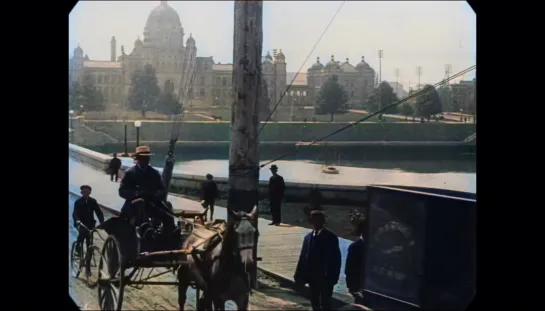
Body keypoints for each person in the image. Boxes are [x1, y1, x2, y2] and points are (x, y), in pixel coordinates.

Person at [294, 210, 341, 311]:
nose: (313, 223)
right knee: (314, 301)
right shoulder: (308, 237)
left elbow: (335, 259)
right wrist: (299, 275)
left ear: (322, 221)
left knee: (326, 302)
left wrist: (333, 278)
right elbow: (303, 257)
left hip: (325, 277)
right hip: (312, 277)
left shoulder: (330, 237)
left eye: (315, 220)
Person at [118, 146, 173, 234]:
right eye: (144, 158)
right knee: (141, 206)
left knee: (169, 216)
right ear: (138, 159)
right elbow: (122, 191)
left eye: (147, 158)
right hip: (134, 205)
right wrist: (136, 193)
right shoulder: (130, 173)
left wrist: (158, 194)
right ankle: (146, 231)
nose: (146, 160)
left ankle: (167, 238)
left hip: (151, 203)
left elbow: (162, 189)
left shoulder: (154, 173)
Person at [72, 185, 104, 274]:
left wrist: (102, 222)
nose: (85, 194)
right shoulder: (78, 202)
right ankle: (78, 249)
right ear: (81, 193)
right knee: (82, 233)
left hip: (90, 224)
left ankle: (88, 267)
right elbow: (75, 213)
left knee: (90, 244)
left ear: (90, 193)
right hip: (81, 224)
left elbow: (99, 212)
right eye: (83, 192)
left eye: (87, 192)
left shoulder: (93, 201)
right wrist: (78, 221)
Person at [345, 220, 367, 305]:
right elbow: (349, 267)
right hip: (357, 284)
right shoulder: (355, 246)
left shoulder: (358, 245)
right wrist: (351, 286)